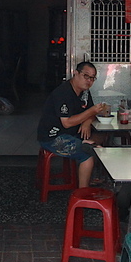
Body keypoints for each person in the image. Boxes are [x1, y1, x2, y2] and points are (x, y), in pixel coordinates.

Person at [36, 61, 109, 190]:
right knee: (88, 153)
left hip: (72, 133)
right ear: (75, 73)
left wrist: (87, 122)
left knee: (102, 138)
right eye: (86, 76)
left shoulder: (85, 92)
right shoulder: (63, 93)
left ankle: (93, 178)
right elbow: (67, 122)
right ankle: (82, 194)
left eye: (92, 78)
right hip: (53, 137)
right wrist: (90, 112)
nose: (89, 81)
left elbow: (92, 113)